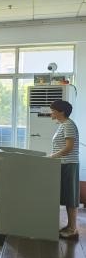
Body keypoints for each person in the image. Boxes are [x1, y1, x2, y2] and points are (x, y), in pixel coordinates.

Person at [50, 100, 80, 239]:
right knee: (67, 195)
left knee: (71, 196)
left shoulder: (68, 124)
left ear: (61, 112)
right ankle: (69, 226)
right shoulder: (62, 125)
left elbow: (69, 147)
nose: (51, 113)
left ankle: (73, 229)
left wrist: (52, 156)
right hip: (63, 164)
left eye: (53, 110)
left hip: (69, 164)